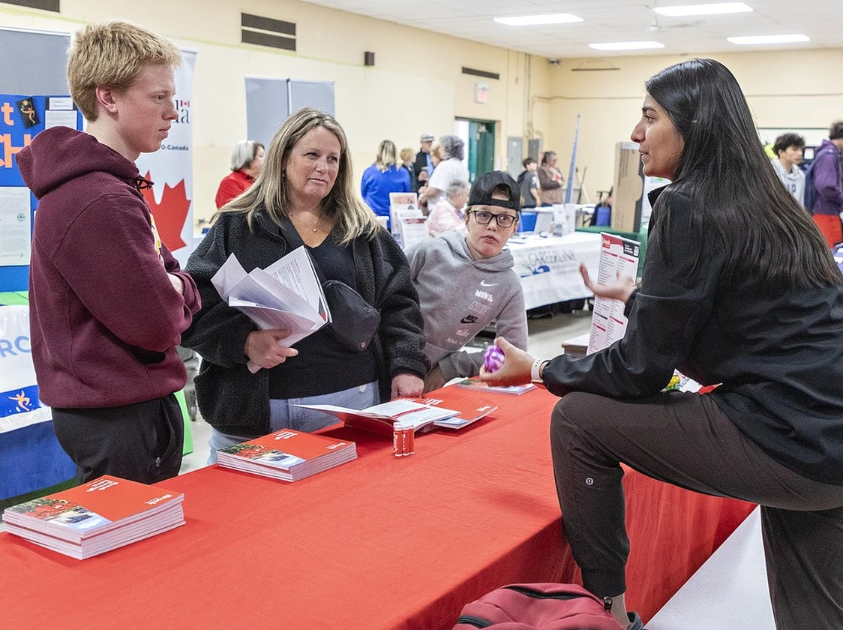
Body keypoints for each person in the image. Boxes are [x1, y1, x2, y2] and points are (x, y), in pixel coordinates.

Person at [482, 58, 843, 630]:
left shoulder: (688, 203)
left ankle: (606, 609)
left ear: (693, 124)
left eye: (649, 117)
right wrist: (638, 299)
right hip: (830, 439)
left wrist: (539, 368)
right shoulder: (774, 207)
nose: (635, 134)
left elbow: (641, 368)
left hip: (784, 434)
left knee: (576, 418)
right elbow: (742, 316)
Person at [182, 108, 428, 461]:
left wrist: (406, 364)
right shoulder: (239, 225)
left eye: (333, 159)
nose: (323, 168)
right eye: (312, 155)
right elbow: (195, 301)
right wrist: (244, 341)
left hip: (355, 402)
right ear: (283, 158)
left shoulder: (363, 230)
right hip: (258, 412)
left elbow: (400, 303)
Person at [16, 21, 200, 484]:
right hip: (119, 417)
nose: (171, 113)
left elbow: (173, 280)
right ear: (109, 97)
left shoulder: (112, 187)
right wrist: (175, 288)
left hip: (120, 410)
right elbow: (158, 323)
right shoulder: (101, 199)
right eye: (157, 98)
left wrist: (174, 285)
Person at [406, 171, 527, 393]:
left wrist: (452, 367)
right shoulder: (428, 252)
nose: (492, 226)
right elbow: (379, 297)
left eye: (504, 218)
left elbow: (514, 352)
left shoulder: (509, 286)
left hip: (426, 379)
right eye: (483, 215)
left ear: (515, 226)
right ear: (467, 218)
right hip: (380, 361)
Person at [360, 139, 411, 228]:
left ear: (379, 153)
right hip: (396, 222)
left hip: (373, 220)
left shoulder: (369, 172)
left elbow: (364, 195)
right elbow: (407, 196)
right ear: (395, 153)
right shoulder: (403, 173)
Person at [808, 122, 843, 246]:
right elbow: (825, 186)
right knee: (830, 254)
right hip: (825, 214)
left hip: (828, 212)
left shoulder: (830, 154)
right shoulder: (829, 156)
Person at [419, 134, 469, 208]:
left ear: (447, 149)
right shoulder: (461, 166)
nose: (439, 150)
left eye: (441, 147)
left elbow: (435, 190)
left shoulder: (445, 166)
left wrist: (423, 195)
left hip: (442, 208)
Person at [215, 140, 265, 209]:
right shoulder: (230, 182)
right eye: (261, 156)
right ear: (249, 159)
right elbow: (233, 213)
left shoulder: (260, 181)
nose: (265, 160)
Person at [771, 133, 806, 206]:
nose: (800, 153)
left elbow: (800, 203)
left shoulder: (800, 175)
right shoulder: (770, 173)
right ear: (781, 152)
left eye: (801, 149)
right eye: (794, 149)